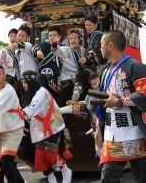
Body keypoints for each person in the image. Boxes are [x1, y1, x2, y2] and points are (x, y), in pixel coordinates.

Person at [96, 30, 146, 183]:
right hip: (113, 133)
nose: (100, 48)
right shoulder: (105, 70)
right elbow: (99, 94)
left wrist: (119, 101)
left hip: (136, 133)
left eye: (101, 45)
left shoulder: (135, 66)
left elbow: (143, 95)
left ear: (110, 45)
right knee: (108, 178)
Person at [21, 70, 72, 183]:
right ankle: (52, 179)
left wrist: (17, 114)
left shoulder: (40, 93)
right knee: (41, 154)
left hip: (52, 127)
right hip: (42, 129)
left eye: (25, 82)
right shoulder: (35, 92)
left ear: (31, 82)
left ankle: (66, 172)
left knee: (50, 155)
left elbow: (31, 108)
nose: (23, 85)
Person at [0, 64, 26, 183]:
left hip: (13, 129)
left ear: (4, 75)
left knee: (7, 161)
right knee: (5, 163)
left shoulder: (8, 90)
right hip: (4, 130)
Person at [51, 28, 87, 107]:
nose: (73, 41)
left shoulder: (83, 50)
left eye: (75, 38)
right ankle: (56, 112)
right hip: (67, 78)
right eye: (70, 39)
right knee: (64, 93)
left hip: (79, 77)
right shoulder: (66, 49)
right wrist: (54, 44)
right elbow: (56, 50)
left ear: (80, 39)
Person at [32, 26, 62, 99]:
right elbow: (35, 47)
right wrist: (38, 51)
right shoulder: (44, 45)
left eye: (54, 35)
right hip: (44, 78)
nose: (52, 37)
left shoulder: (63, 47)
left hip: (58, 78)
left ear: (59, 36)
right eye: (50, 35)